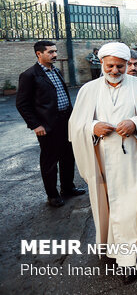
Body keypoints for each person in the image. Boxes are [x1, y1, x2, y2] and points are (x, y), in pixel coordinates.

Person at [68, 42, 137, 278]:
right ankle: (115, 249)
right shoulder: (88, 90)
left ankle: (132, 259)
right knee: (111, 208)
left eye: (121, 66)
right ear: (102, 64)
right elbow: (75, 125)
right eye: (110, 66)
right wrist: (92, 126)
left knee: (133, 210)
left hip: (136, 163)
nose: (115, 71)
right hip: (103, 161)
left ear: (129, 64)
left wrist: (135, 124)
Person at [16, 41, 86, 207]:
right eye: (50, 52)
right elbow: (22, 104)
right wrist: (35, 125)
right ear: (39, 54)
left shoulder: (55, 71)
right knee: (50, 162)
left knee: (68, 157)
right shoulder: (29, 75)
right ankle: (52, 195)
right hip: (47, 126)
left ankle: (68, 188)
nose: (55, 55)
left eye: (55, 51)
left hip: (66, 122)